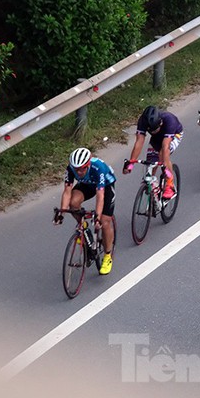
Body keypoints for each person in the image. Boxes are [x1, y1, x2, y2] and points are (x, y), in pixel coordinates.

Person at [58, 147, 116, 275]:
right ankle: (83, 226)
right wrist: (61, 213)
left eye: (82, 168)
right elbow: (67, 191)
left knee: (105, 222)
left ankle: (107, 256)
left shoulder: (98, 168)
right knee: (73, 203)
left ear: (88, 164)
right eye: (76, 169)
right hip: (87, 184)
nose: (78, 172)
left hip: (105, 186)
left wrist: (98, 217)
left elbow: (100, 196)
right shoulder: (71, 168)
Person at [123, 105, 183, 200]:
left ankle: (169, 184)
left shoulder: (169, 120)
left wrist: (163, 164)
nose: (153, 132)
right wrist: (131, 162)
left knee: (162, 153)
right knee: (150, 164)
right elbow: (139, 142)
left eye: (156, 129)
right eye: (151, 130)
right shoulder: (143, 121)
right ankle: (153, 185)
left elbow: (165, 147)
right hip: (157, 139)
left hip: (174, 134)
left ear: (160, 122)